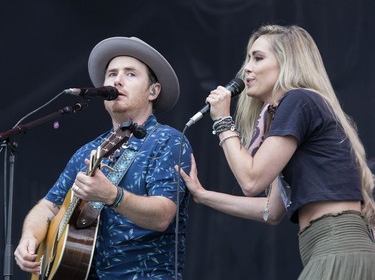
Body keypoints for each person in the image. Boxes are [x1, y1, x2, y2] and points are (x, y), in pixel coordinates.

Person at [177, 24, 375, 279]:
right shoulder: (296, 110)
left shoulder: (298, 100)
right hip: (329, 248)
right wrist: (203, 196)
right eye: (247, 58)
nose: (247, 68)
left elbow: (251, 180)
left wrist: (223, 121)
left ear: (287, 63)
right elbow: (271, 211)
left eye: (258, 58)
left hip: (337, 244)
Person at [14, 36, 192, 279]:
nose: (117, 80)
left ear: (153, 91)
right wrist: (30, 237)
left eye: (130, 74)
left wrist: (113, 196)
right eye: (111, 74)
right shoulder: (87, 151)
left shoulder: (168, 141)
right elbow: (48, 206)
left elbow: (163, 215)